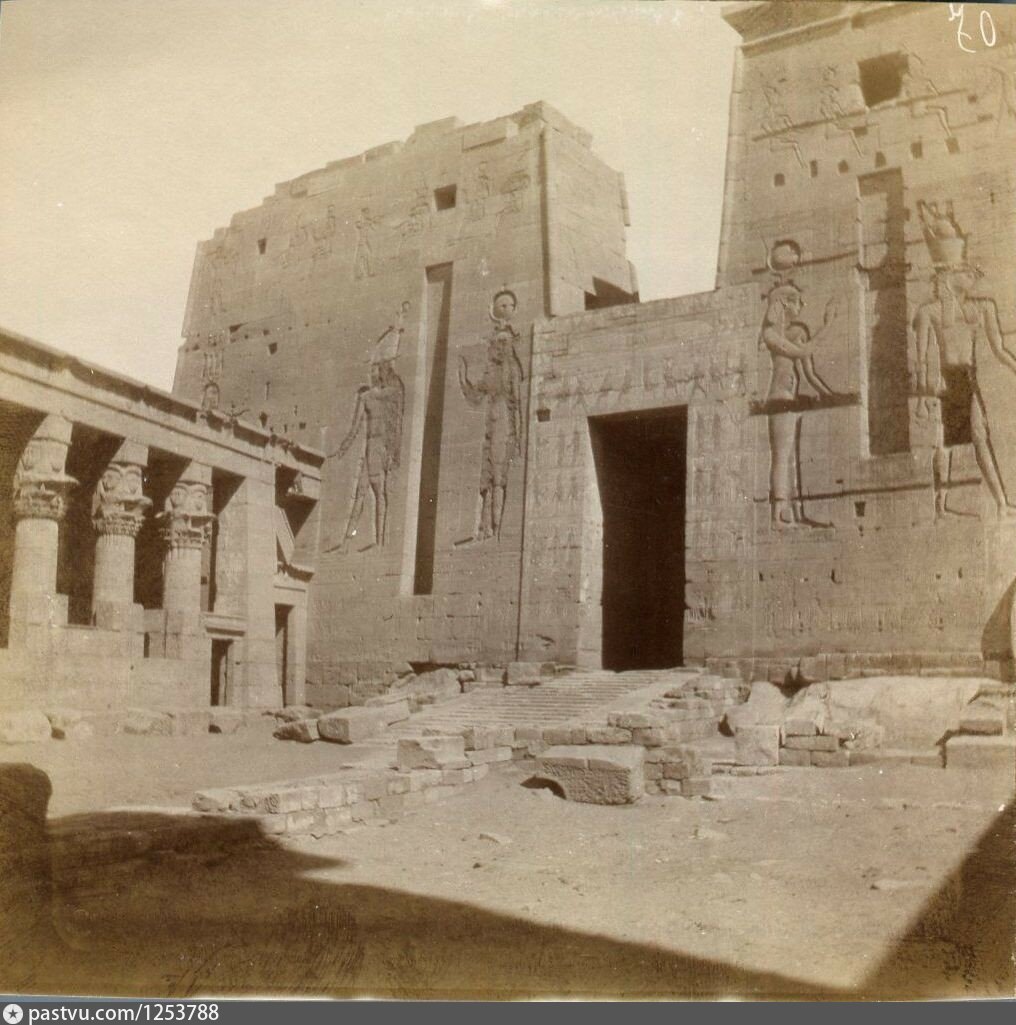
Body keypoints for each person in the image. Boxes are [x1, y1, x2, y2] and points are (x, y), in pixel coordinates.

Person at [459, 291, 524, 541]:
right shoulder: (492, 371)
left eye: (502, 343)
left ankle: (496, 530)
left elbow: (518, 404)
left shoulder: (512, 370)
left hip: (504, 425)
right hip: (491, 424)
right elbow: (476, 395)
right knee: (485, 481)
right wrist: (462, 377)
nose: (497, 347)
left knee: (498, 479)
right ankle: (483, 528)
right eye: (496, 343)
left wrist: (518, 440)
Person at [334, 357, 404, 550]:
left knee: (376, 492)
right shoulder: (368, 397)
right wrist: (344, 446)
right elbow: (355, 427)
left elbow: (396, 425)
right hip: (371, 447)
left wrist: (393, 452)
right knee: (363, 493)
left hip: (381, 448)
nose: (372, 375)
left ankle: (379, 541)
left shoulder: (389, 394)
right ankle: (348, 540)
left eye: (375, 371)